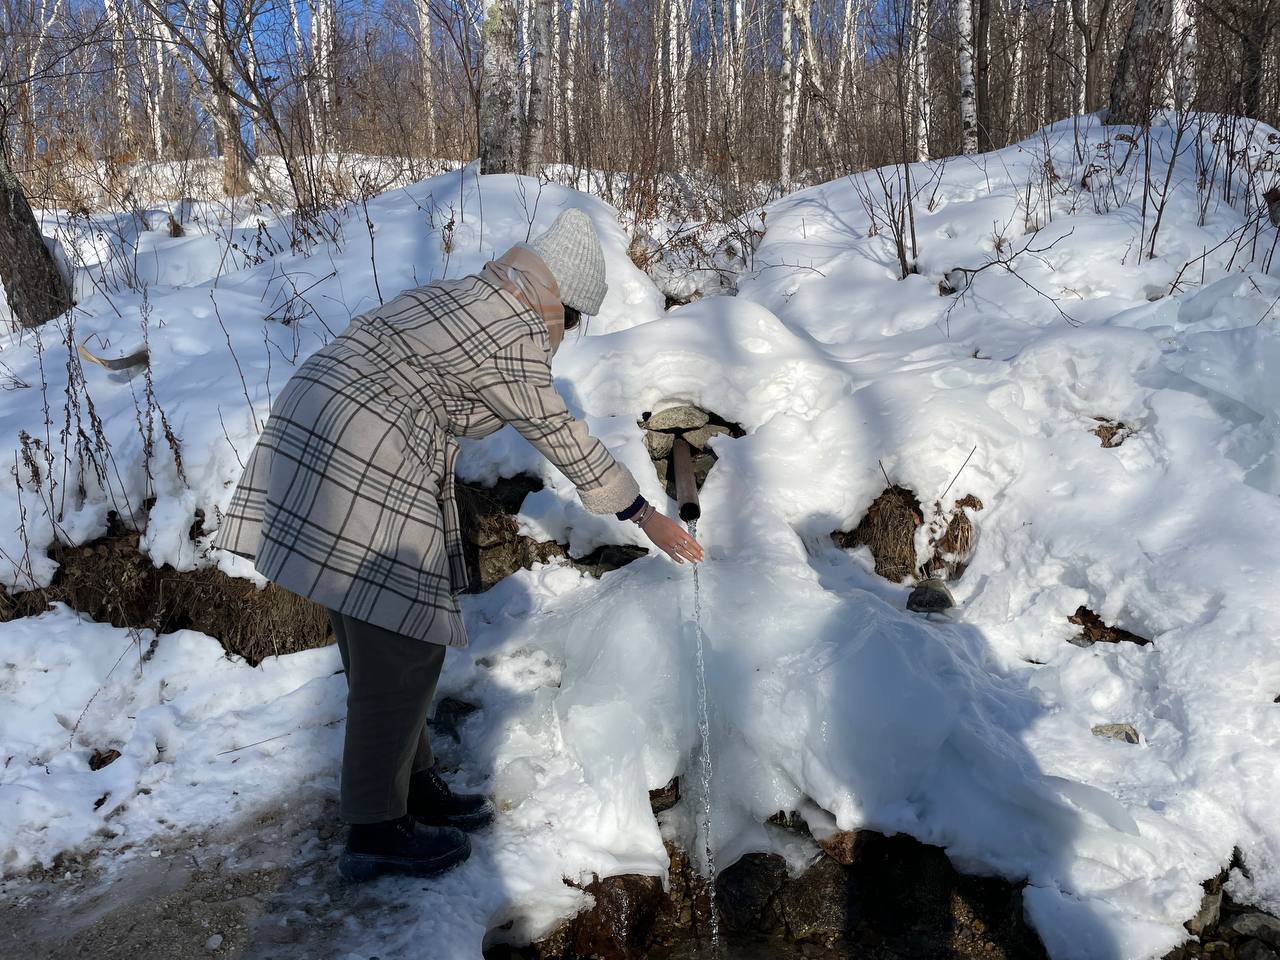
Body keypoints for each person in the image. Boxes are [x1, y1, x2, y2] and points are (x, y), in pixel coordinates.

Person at [213, 208, 704, 882]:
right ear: (559, 301)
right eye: (574, 319)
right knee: (404, 648)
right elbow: (566, 439)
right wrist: (646, 515)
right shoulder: (513, 328)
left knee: (378, 636)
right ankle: (375, 827)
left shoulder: (476, 293)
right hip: (363, 450)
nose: (567, 335)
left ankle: (409, 788)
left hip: (319, 424)